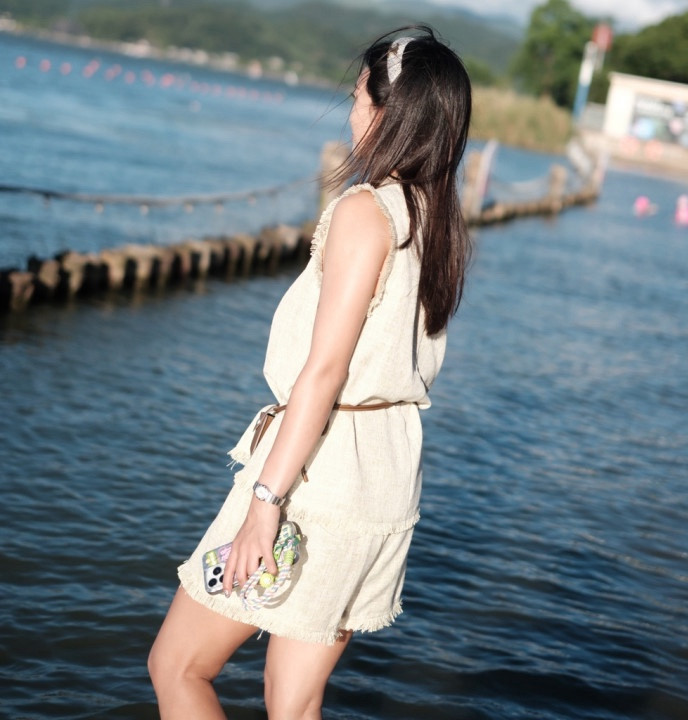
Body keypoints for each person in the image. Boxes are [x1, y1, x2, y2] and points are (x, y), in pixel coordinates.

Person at [148, 25, 472, 719]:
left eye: (357, 97)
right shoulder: (437, 222)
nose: (352, 113)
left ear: (387, 113)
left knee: (178, 667)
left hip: (319, 474)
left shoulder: (364, 212)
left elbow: (323, 374)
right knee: (294, 706)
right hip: (384, 474)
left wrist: (265, 502)